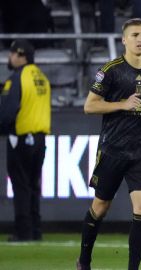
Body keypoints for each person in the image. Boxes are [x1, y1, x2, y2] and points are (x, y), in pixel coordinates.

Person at [76, 18, 141, 270]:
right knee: (100, 207)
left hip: (140, 149)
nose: (140, 39)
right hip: (112, 148)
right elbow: (89, 106)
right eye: (135, 35)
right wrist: (122, 104)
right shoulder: (111, 69)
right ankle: (84, 260)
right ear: (124, 39)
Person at [0, 39, 51, 242]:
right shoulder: (42, 78)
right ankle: (35, 229)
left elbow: (7, 112)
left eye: (12, 54)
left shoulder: (17, 78)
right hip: (40, 139)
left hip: (21, 138)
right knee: (33, 185)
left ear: (21, 56)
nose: (9, 57)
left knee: (21, 185)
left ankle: (23, 231)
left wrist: (3, 129)